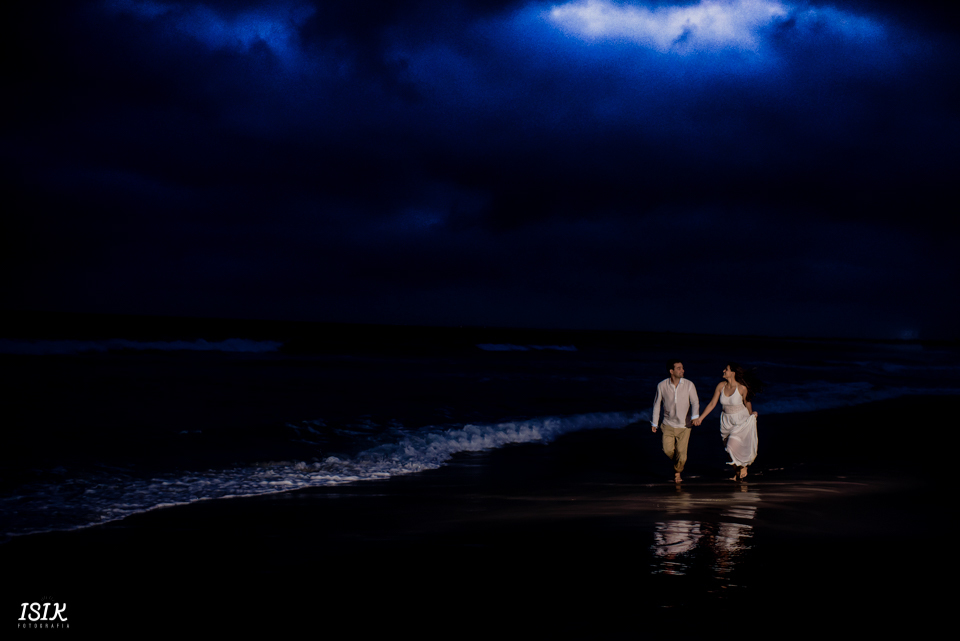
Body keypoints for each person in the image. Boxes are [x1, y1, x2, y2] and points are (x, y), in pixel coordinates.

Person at [693, 363, 761, 481]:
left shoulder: (741, 388)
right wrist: (701, 418)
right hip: (726, 420)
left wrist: (751, 415)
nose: (724, 370)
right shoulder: (721, 386)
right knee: (728, 451)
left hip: (740, 419)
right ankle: (737, 473)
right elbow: (712, 404)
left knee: (731, 446)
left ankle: (744, 465)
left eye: (727, 369)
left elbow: (747, 402)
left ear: (733, 373)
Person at [651, 360, 700, 483]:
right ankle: (678, 463)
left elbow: (695, 402)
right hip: (667, 424)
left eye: (682, 368)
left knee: (682, 455)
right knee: (667, 450)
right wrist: (654, 423)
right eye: (679, 368)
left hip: (685, 426)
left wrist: (695, 417)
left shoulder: (689, 384)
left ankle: (678, 472)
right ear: (671, 371)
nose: (682, 370)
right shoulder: (662, 385)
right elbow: (657, 405)